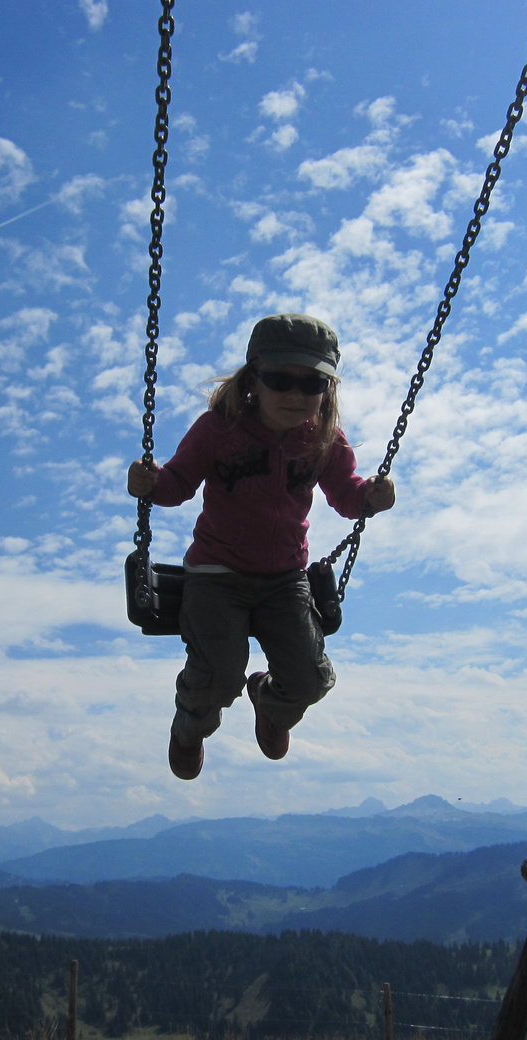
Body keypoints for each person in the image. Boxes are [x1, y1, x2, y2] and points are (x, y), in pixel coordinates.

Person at [127, 313, 395, 780]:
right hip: (216, 574)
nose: (296, 394)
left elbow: (348, 496)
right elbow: (175, 485)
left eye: (311, 383)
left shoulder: (324, 440)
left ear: (327, 390)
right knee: (218, 674)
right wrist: (148, 483)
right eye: (280, 379)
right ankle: (190, 727)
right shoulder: (218, 429)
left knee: (309, 678)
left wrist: (372, 495)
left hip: (284, 579)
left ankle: (270, 704)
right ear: (254, 379)